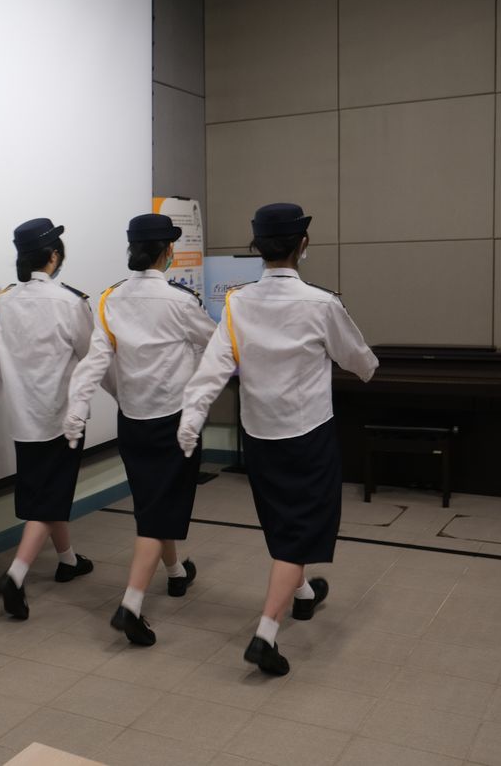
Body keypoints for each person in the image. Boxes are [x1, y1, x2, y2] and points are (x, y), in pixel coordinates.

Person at [177, 203, 378, 675]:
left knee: (283, 522)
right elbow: (360, 361)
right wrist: (369, 366)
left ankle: (303, 593)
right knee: (300, 531)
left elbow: (213, 368)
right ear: (302, 245)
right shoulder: (321, 303)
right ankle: (266, 633)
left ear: (257, 248)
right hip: (308, 433)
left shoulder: (236, 302)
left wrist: (191, 419)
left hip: (259, 434)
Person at [64, 213, 217, 646]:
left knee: (152, 504)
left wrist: (77, 407)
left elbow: (96, 360)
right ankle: (130, 605)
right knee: (156, 513)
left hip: (131, 421)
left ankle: (176, 571)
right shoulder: (181, 302)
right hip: (174, 421)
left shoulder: (110, 298)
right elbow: (218, 344)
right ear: (167, 252)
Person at [0, 218, 97, 620]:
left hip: (24, 419)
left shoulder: (5, 302)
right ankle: (16, 575)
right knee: (49, 498)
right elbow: (94, 357)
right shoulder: (70, 303)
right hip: (63, 418)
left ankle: (68, 560)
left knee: (46, 492)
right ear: (54, 256)